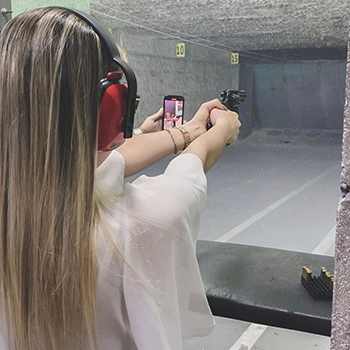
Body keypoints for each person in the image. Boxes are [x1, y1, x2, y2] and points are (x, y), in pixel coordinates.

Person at [0, 7, 241, 350]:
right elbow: (193, 163)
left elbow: (97, 162)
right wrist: (222, 130)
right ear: (110, 109)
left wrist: (180, 131)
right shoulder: (145, 221)